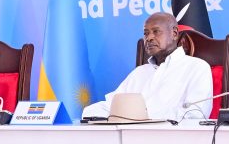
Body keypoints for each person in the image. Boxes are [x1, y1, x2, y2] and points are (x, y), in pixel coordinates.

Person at [82, 12, 213, 121]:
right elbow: (112, 106)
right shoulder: (139, 73)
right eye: (145, 33)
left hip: (177, 143)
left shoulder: (197, 68)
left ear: (174, 33)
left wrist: (141, 117)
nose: (149, 38)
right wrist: (88, 113)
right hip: (131, 141)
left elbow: (196, 115)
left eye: (156, 32)